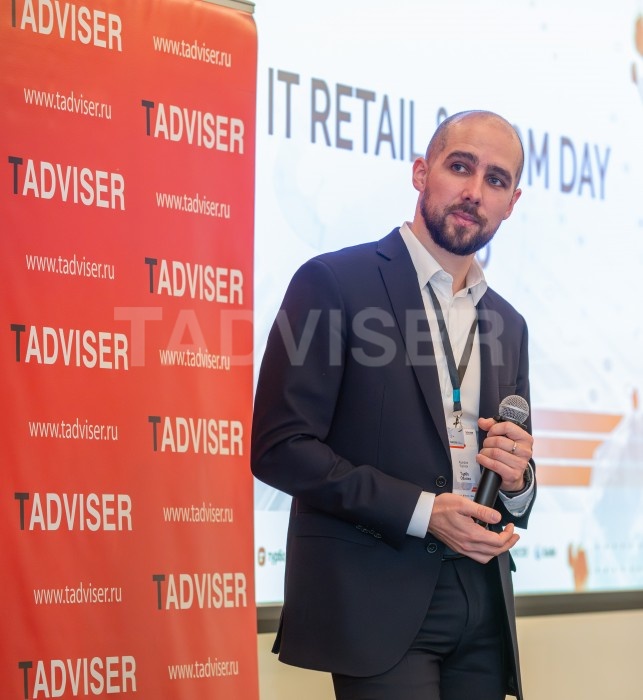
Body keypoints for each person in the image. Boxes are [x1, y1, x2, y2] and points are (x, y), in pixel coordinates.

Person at [251, 110, 536, 700]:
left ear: (511, 204)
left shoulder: (509, 323)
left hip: (482, 599)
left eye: (496, 180)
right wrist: (423, 511)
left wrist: (518, 482)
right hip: (378, 598)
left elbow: (511, 466)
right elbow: (281, 448)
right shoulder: (334, 283)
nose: (474, 191)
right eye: (460, 167)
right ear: (420, 172)